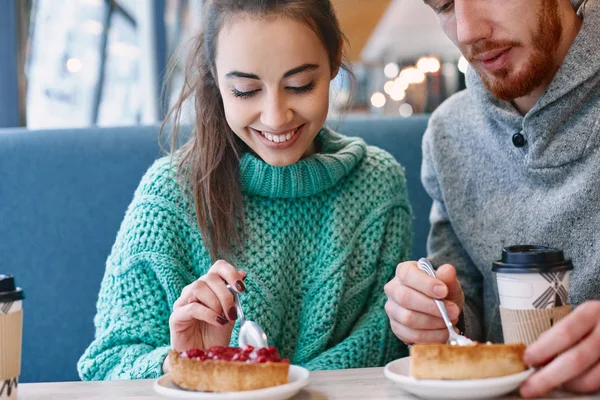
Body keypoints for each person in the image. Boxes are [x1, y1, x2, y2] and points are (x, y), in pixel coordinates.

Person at [78, 0, 412, 380]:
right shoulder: (170, 193)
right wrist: (185, 363)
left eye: (300, 85)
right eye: (244, 90)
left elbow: (389, 345)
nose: (275, 116)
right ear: (215, 81)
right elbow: (105, 363)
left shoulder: (377, 185)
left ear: (335, 61)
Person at [384, 0, 600, 397]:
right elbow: (463, 317)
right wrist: (439, 319)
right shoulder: (450, 133)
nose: (466, 31)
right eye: (444, 5)